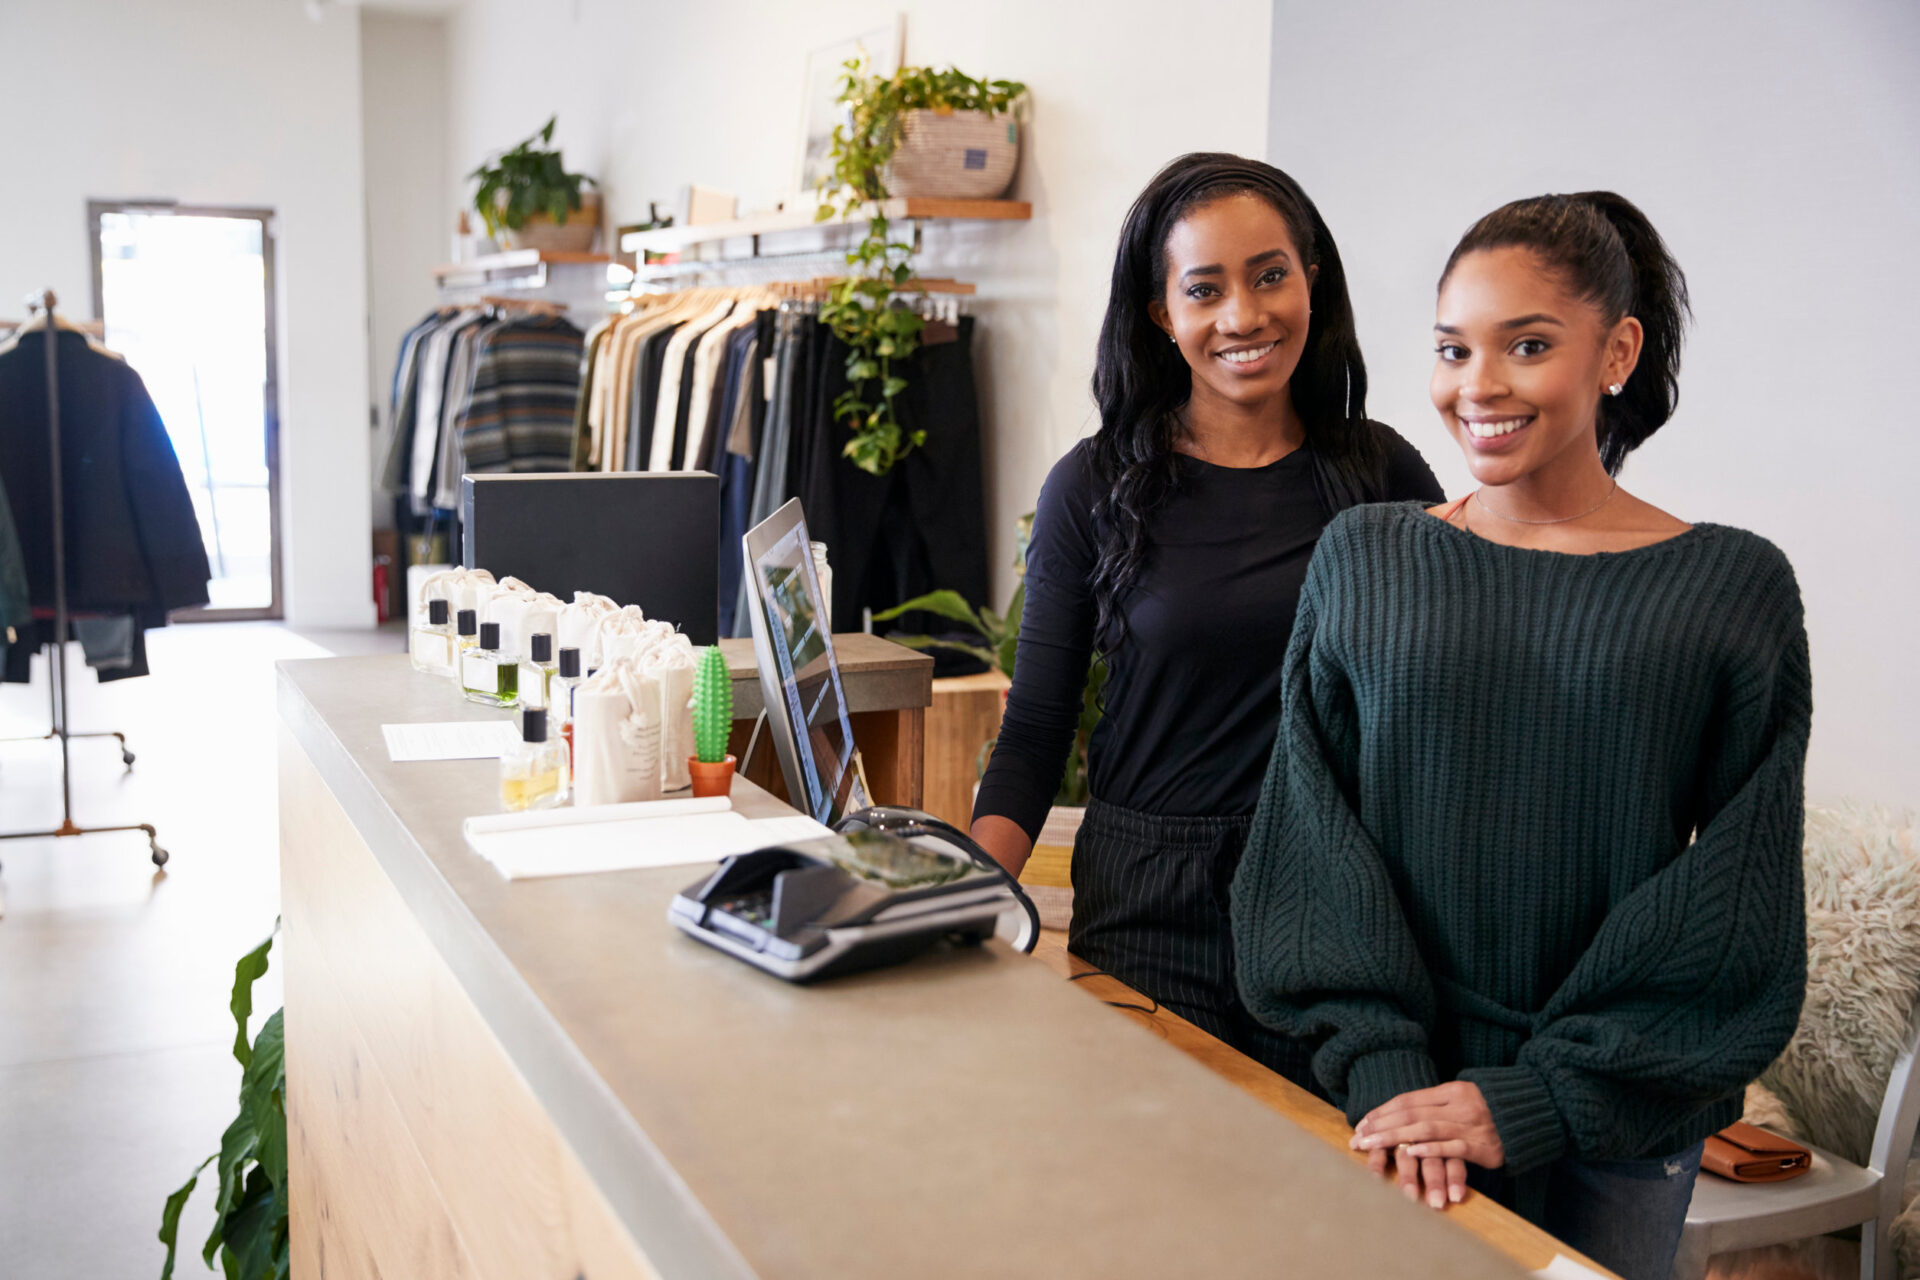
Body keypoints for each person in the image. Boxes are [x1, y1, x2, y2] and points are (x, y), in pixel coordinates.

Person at [1230, 191, 1810, 1279]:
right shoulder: (1366, 555)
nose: (1477, 386)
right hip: (1390, 1091)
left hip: (1616, 1114)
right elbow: (1309, 834)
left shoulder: (1734, 586)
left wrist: (1538, 1096)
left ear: (1618, 351)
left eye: (1527, 345)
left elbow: (1740, 897)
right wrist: (1388, 1063)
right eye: (1453, 348)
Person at [970, 153, 1444, 1083]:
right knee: (1159, 1197)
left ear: (1312, 277)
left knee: (1317, 1205)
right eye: (1205, 289)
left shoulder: (1383, 479)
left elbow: (1451, 702)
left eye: (1271, 275)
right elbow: (1034, 733)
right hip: (1151, 905)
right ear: (1163, 315)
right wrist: (957, 900)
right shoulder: (1094, 486)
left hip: (1330, 903)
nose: (1244, 316)